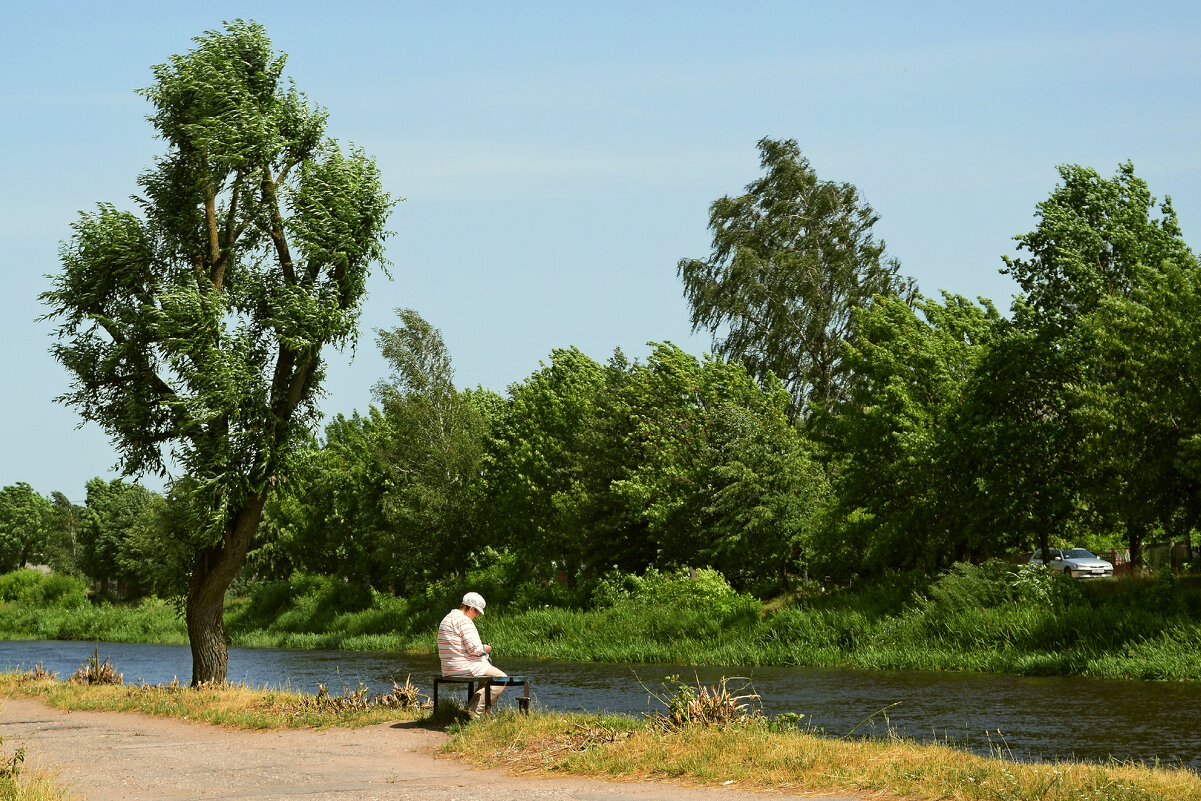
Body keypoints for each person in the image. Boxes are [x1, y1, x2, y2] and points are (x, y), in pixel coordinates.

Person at [436, 591, 506, 717]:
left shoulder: (446, 619)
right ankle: (474, 713)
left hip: (449, 668)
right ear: (471, 609)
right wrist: (485, 648)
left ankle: (480, 713)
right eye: (477, 612)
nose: (477, 615)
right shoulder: (464, 621)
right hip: (464, 667)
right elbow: (474, 649)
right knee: (501, 678)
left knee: (487, 680)